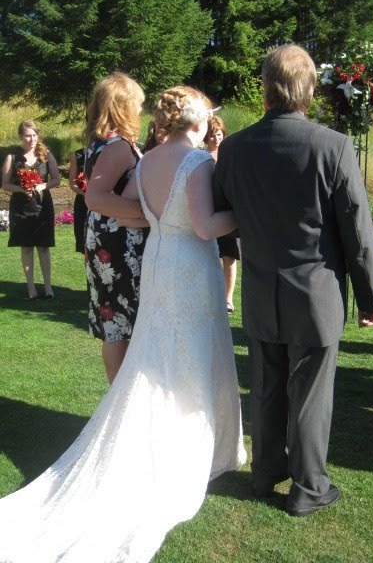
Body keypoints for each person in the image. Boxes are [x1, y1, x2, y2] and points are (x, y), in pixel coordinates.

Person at [0, 85, 246, 562]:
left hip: (158, 262)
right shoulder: (197, 162)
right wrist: (241, 214)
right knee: (195, 351)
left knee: (157, 350)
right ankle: (194, 449)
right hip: (190, 266)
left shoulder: (148, 159)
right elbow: (204, 226)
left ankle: (166, 439)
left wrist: (163, 220)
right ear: (198, 122)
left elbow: (133, 212)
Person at [214, 44, 373, 517]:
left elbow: (222, 214)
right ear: (308, 89)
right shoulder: (333, 146)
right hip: (315, 292)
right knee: (310, 394)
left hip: (260, 288)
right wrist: (370, 297)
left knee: (266, 386)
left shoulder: (235, 147)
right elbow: (358, 233)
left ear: (266, 88)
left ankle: (264, 474)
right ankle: (308, 489)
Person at [84, 72, 148, 384]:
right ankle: (119, 401)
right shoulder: (118, 146)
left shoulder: (100, 142)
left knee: (116, 324)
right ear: (123, 106)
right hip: (119, 245)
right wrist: (147, 214)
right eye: (138, 104)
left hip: (107, 240)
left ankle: (118, 399)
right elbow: (95, 197)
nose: (141, 110)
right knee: (119, 325)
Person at [1, 120, 60, 300]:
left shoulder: (46, 155)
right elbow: (5, 184)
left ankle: (48, 287)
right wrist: (20, 189)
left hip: (42, 206)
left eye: (34, 135)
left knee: (43, 247)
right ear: (21, 136)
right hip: (21, 207)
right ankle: (31, 288)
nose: (32, 139)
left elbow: (56, 179)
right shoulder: (12, 157)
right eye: (27, 135)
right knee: (26, 247)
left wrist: (43, 186)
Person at [204, 115, 240, 313]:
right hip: (208, 210)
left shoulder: (229, 155)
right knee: (208, 255)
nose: (216, 139)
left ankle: (228, 298)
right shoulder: (201, 156)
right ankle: (209, 296)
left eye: (219, 134)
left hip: (227, 211)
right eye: (212, 135)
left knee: (229, 255)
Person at [68, 147, 88, 253]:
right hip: (83, 201)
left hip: (103, 203)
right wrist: (85, 193)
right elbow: (72, 183)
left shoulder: (108, 150)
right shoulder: (78, 155)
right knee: (84, 244)